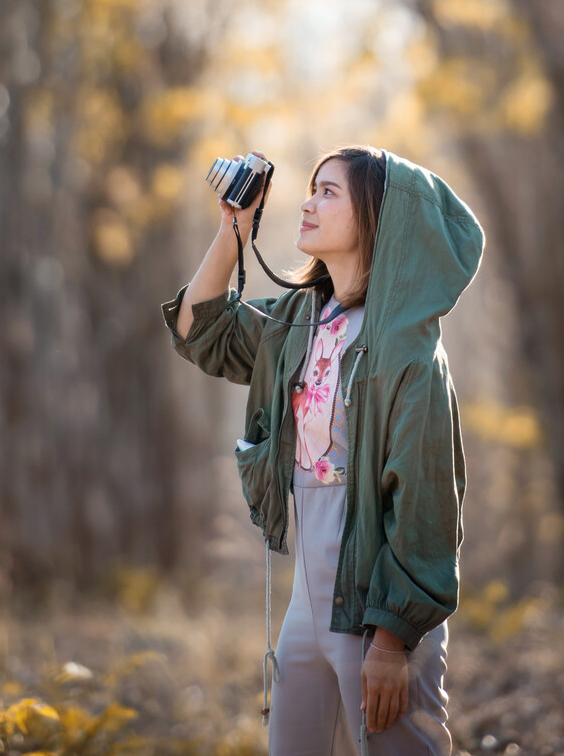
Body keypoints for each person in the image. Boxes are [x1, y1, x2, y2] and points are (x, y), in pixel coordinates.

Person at [161, 146, 483, 756]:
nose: (307, 202)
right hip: (308, 595)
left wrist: (391, 641)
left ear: (377, 216)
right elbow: (197, 330)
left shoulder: (407, 353)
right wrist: (235, 226)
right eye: (311, 189)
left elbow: (426, 502)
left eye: (328, 192)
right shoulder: (299, 321)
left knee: (398, 747)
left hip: (378, 596)